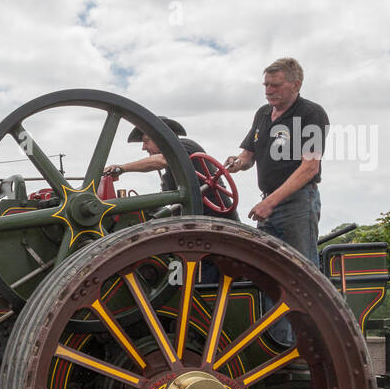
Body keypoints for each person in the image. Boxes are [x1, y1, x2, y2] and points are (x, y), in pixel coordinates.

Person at [224, 57, 328, 263]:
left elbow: (310, 168)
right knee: (269, 269)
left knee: (302, 269)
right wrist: (236, 163)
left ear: (296, 85)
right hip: (268, 202)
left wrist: (270, 202)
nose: (269, 91)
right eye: (266, 85)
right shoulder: (262, 113)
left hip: (298, 203)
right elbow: (247, 155)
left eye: (276, 85)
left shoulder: (311, 113)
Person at [106, 117, 239, 222]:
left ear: (162, 138)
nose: (143, 147)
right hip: (195, 221)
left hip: (216, 220)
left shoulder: (185, 146)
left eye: (146, 141)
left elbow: (161, 160)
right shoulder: (169, 175)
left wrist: (122, 168)